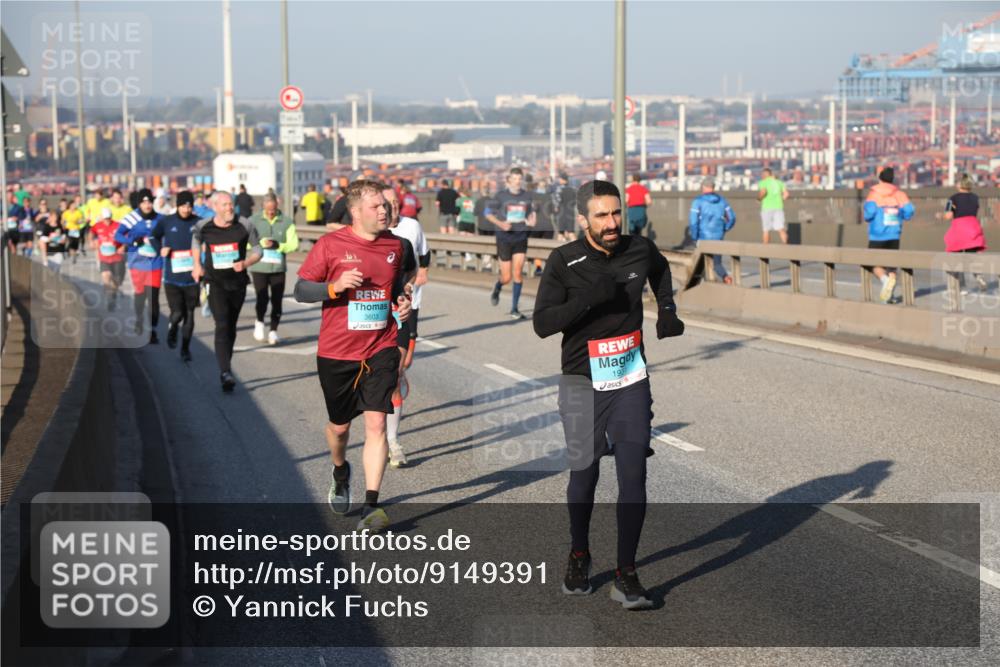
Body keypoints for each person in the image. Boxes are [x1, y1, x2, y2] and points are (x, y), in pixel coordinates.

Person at [533, 179, 684, 611]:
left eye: (616, 212)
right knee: (585, 475)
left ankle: (627, 574)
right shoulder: (564, 261)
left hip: (629, 377)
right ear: (583, 219)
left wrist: (667, 310)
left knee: (634, 472)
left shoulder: (639, 248)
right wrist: (586, 301)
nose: (612, 222)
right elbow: (543, 324)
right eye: (602, 215)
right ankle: (579, 553)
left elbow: (660, 269)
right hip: (582, 382)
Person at [293, 179, 413, 532]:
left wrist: (401, 302)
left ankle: (371, 506)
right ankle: (340, 469)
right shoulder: (331, 245)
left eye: (385, 205)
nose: (384, 210)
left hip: (381, 345)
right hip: (337, 352)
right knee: (340, 428)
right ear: (356, 211)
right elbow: (300, 289)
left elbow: (395, 286)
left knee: (376, 423)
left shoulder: (398, 245)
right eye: (376, 206)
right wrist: (334, 287)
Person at [190, 192, 262, 391]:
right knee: (221, 324)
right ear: (215, 207)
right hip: (215, 283)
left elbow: (258, 249)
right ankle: (225, 372)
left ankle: (226, 367)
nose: (230, 208)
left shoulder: (245, 224)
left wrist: (246, 262)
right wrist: (196, 264)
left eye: (231, 204)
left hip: (238, 284)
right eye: (225, 205)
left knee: (231, 326)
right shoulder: (204, 226)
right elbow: (195, 241)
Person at [385, 186, 426, 468]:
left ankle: (392, 441)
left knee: (395, 374)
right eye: (383, 205)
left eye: (392, 205)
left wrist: (407, 286)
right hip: (364, 321)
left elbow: (415, 267)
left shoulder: (405, 241)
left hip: (397, 315)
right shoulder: (354, 241)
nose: (388, 211)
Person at [152, 191, 201, 361]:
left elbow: (209, 240)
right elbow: (153, 237)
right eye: (183, 206)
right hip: (172, 278)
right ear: (177, 206)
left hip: (192, 277)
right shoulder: (167, 221)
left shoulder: (198, 222)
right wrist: (160, 249)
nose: (186, 209)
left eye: (189, 206)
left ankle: (185, 349)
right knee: (177, 313)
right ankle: (172, 329)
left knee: (190, 314)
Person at [248, 192, 299, 345]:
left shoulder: (287, 222)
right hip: (259, 266)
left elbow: (293, 244)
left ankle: (273, 331)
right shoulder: (253, 221)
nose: (271, 213)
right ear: (263, 206)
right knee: (262, 298)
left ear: (277, 206)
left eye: (273, 210)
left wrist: (278, 245)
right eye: (268, 210)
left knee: (277, 300)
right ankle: (259, 322)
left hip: (278, 267)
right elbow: (246, 242)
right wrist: (260, 243)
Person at [116, 188, 164, 343]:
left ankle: (152, 330)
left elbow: (169, 234)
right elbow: (117, 235)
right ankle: (138, 319)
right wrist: (132, 241)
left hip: (155, 263)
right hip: (137, 262)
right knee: (140, 295)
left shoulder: (160, 218)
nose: (148, 205)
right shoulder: (131, 218)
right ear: (139, 204)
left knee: (153, 298)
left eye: (150, 201)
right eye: (144, 202)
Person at [487, 167, 536, 319]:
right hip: (504, 238)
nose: (517, 182)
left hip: (520, 237)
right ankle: (498, 287)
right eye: (514, 179)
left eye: (519, 179)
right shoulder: (500, 196)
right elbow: (487, 214)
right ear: (508, 181)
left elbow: (531, 213)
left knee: (518, 274)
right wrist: (501, 224)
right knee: (507, 277)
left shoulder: (527, 196)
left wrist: (532, 220)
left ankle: (514, 308)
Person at [864, 167, 914, 304]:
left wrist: (869, 218)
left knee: (870, 262)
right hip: (894, 234)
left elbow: (868, 214)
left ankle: (884, 280)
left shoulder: (874, 194)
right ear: (892, 179)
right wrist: (901, 215)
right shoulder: (900, 194)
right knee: (891, 266)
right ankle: (889, 297)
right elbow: (909, 211)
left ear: (880, 179)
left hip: (877, 235)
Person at [943, 174, 990, 295]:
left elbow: (948, 216)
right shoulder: (975, 197)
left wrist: (944, 214)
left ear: (959, 184)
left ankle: (962, 287)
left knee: (956, 256)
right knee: (972, 255)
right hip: (973, 226)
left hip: (960, 227)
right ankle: (978, 275)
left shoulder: (952, 198)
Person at [689, 178, 737, 284]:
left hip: (702, 237)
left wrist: (694, 236)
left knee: (699, 264)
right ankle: (726, 278)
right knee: (717, 263)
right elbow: (732, 217)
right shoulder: (722, 201)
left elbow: (693, 222)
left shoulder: (698, 201)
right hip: (718, 237)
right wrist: (725, 228)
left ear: (704, 187)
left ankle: (702, 288)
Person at [90, 207, 126, 310]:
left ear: (111, 217)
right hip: (104, 257)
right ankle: (109, 300)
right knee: (106, 278)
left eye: (109, 218)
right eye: (105, 218)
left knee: (116, 282)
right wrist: (91, 241)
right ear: (102, 218)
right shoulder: (97, 225)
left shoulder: (118, 225)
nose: (107, 220)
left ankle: (113, 294)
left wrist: (123, 246)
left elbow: (126, 236)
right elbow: (91, 233)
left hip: (117, 258)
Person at [757, 168, 789, 244]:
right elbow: (786, 194)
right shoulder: (779, 183)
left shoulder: (763, 182)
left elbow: (763, 191)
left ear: (765, 175)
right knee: (780, 228)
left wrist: (759, 199)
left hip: (767, 207)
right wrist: (780, 200)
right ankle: (786, 247)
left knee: (766, 229)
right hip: (778, 207)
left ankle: (765, 250)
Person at [36, 201, 67, 273]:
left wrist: (61, 240)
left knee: (57, 269)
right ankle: (45, 261)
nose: (54, 218)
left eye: (55, 216)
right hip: (49, 252)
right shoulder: (47, 227)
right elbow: (42, 239)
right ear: (50, 217)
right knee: (50, 271)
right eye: (52, 216)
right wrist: (51, 239)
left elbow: (64, 237)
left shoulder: (60, 227)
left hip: (58, 251)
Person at [553, 172, 578, 242]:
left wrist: (556, 208)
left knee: (560, 233)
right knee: (571, 233)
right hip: (570, 213)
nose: (559, 180)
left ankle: (558, 250)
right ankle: (577, 248)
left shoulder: (559, 189)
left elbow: (557, 201)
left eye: (560, 179)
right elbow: (575, 201)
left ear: (563, 180)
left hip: (562, 213)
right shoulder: (573, 189)